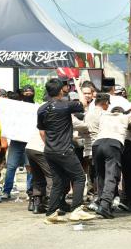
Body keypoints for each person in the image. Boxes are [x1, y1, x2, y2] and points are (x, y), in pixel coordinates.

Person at [38, 78, 94, 224]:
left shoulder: (41, 109)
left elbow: (42, 132)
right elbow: (84, 103)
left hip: (49, 151)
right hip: (64, 149)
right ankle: (76, 209)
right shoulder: (65, 106)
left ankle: (51, 212)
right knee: (79, 177)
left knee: (58, 182)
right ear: (61, 90)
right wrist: (77, 85)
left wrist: (51, 146)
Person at [93, 106, 131, 218]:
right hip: (113, 145)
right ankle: (105, 205)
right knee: (112, 176)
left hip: (97, 144)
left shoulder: (104, 116)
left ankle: (102, 202)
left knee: (100, 175)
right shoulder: (126, 116)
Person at [2, 85, 34, 199]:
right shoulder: (16, 107)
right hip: (16, 141)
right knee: (11, 166)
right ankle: (7, 191)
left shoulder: (36, 108)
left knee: (31, 167)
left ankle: (31, 191)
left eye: (30, 92)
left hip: (30, 141)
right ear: (22, 94)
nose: (28, 94)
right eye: (26, 92)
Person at [25, 130, 52, 214]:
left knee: (37, 177)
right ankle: (49, 203)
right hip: (40, 148)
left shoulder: (42, 117)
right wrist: (49, 147)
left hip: (30, 148)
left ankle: (36, 205)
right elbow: (42, 133)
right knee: (51, 175)